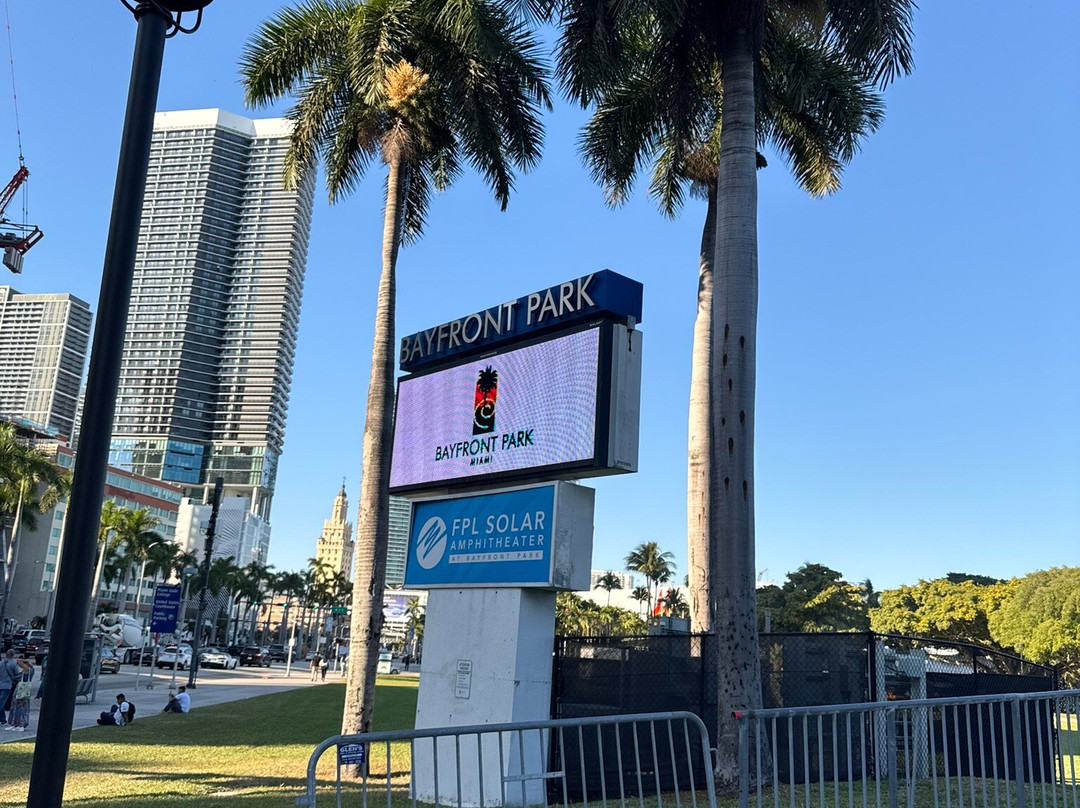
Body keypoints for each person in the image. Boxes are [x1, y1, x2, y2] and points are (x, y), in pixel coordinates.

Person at [5, 658, 34, 732]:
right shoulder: (30, 670)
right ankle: (15, 723)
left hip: (22, 692)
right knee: (16, 708)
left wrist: (23, 661)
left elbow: (18, 661)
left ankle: (20, 724)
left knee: (20, 708)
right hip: (21, 691)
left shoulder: (27, 670)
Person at [0, 649, 20, 727]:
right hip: (7, 686)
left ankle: (2, 719)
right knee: (1, 702)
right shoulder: (13, 664)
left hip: (0, 684)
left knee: (1, 702)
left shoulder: (1, 663)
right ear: (13, 655)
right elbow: (17, 675)